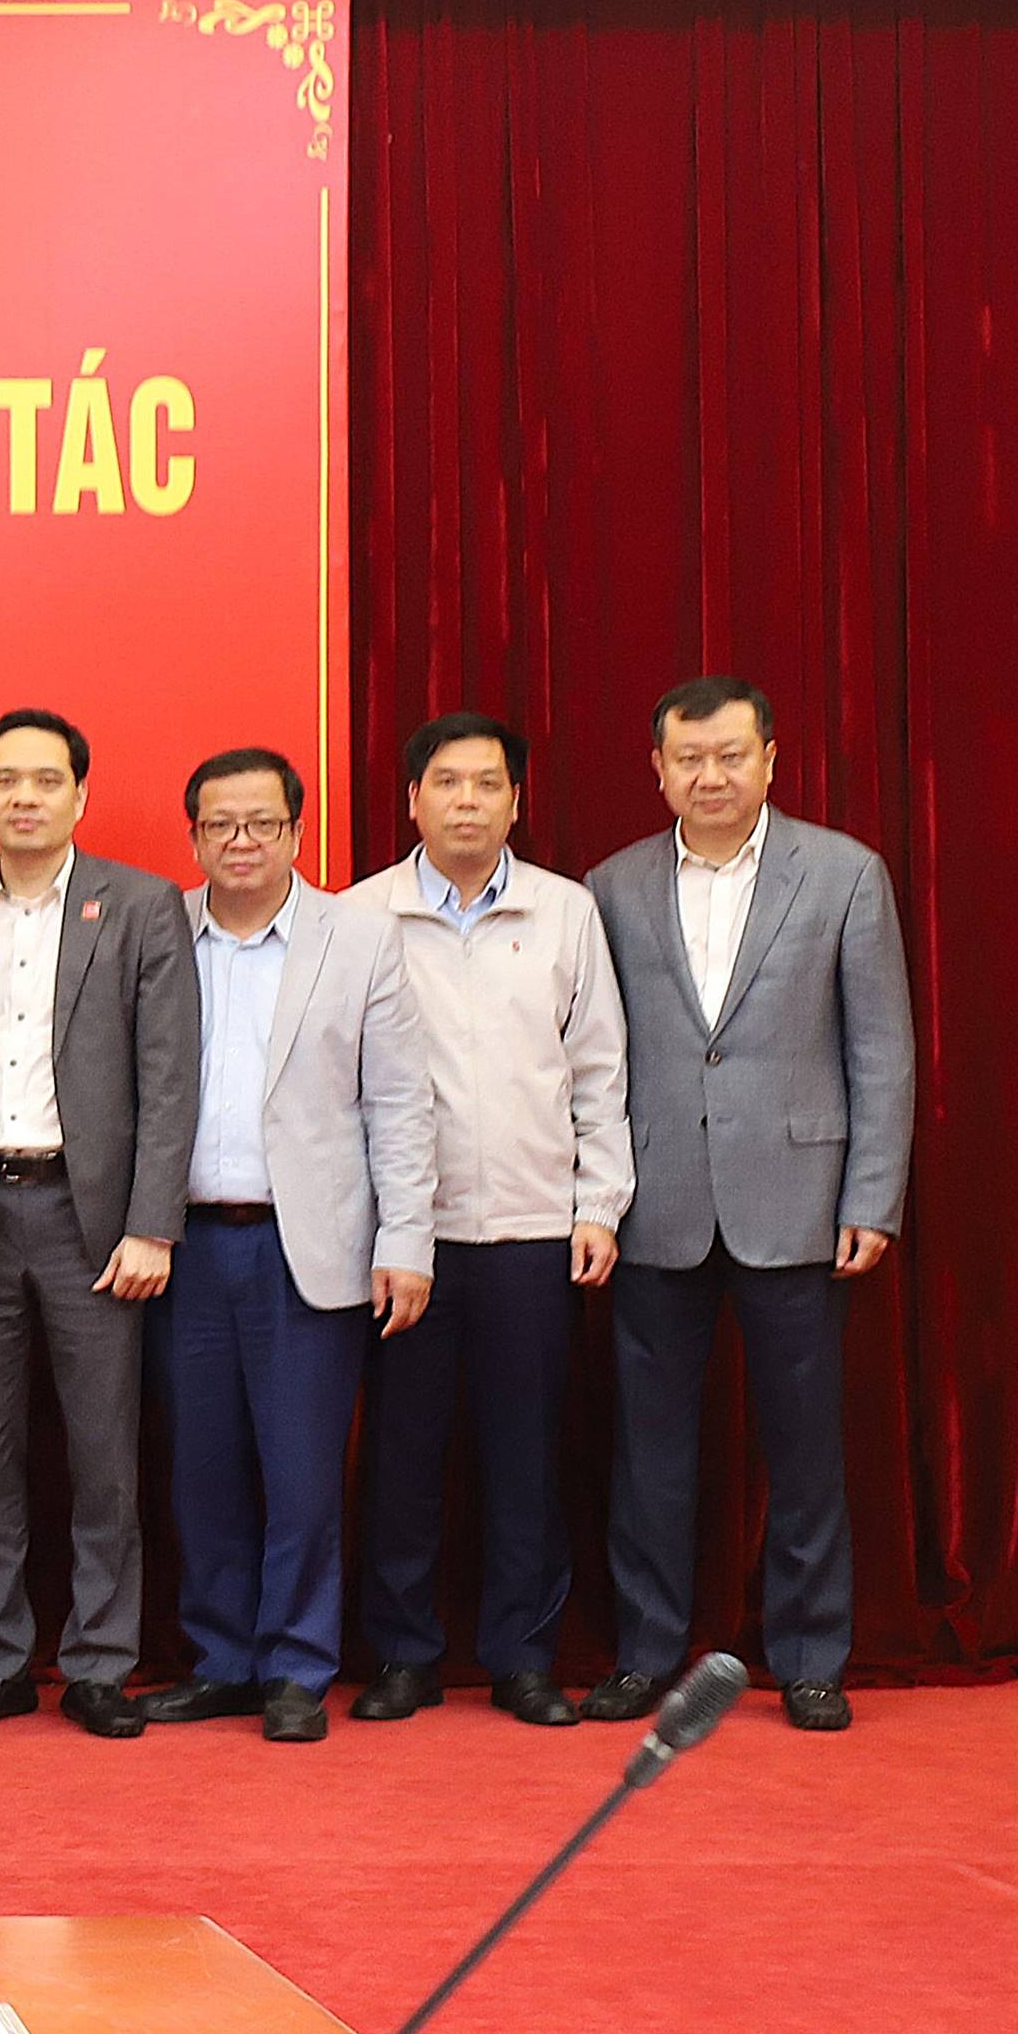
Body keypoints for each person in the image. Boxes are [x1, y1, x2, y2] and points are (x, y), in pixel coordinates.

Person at [583, 677, 913, 1733]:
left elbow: (881, 1049)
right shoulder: (611, 886)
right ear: (658, 769)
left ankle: (811, 1656)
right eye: (689, 759)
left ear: (771, 760)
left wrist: (872, 1196)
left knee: (805, 1448)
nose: (711, 776)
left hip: (800, 1200)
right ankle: (644, 1653)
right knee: (649, 1451)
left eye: (731, 755)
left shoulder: (844, 873)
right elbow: (591, 1053)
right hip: (655, 1204)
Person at [341, 714, 629, 1728]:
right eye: (447, 783)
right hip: (403, 1241)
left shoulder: (565, 912)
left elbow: (598, 1068)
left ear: (517, 800)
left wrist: (598, 1203)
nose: (466, 801)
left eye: (487, 784)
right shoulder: (360, 916)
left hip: (531, 1230)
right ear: (411, 800)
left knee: (526, 1457)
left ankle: (523, 1657)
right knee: (402, 1458)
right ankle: (402, 1656)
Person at [143, 748, 434, 1744]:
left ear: (297, 832)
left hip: (305, 1246)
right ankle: (222, 1660)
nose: (241, 842)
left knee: (303, 1472)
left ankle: (296, 1667)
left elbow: (399, 1102)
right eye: (219, 824)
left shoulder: (356, 940)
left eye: (261, 823)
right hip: (184, 1244)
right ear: (192, 836)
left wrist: (406, 1238)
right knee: (202, 1469)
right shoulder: (158, 930)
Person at [0, 710, 199, 1741]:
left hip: (93, 1219)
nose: (25, 797)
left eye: (47, 780)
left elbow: (168, 1077)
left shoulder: (137, 905)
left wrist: (152, 1223)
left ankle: (98, 1661)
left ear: (81, 795)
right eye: (6, 779)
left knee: (103, 1451)